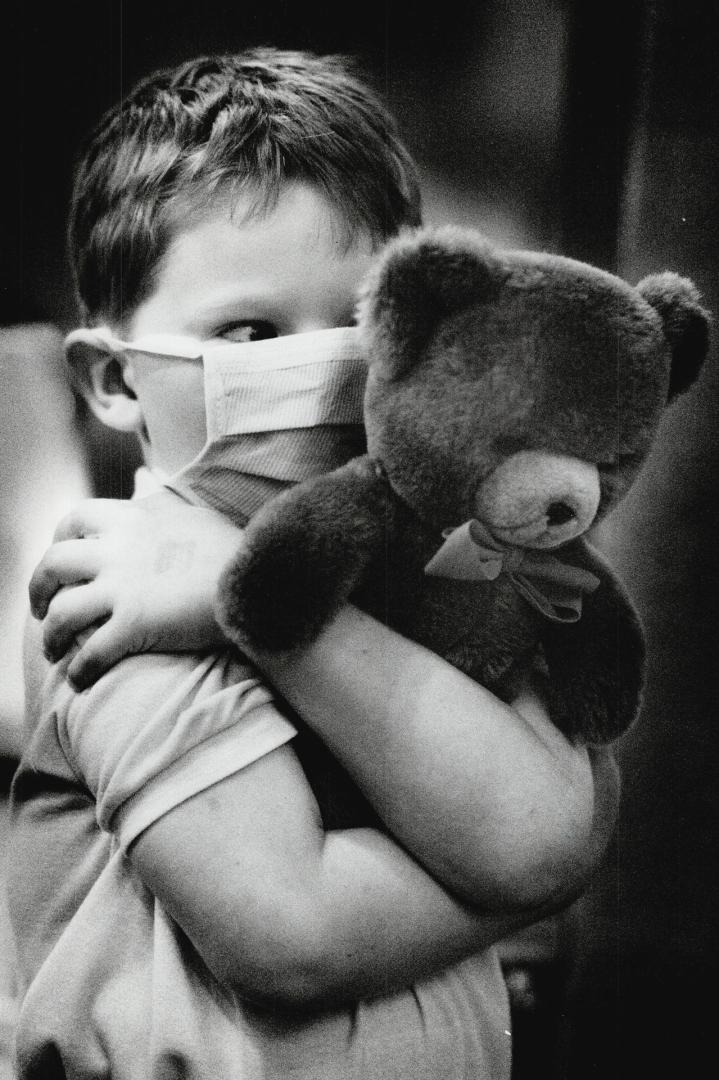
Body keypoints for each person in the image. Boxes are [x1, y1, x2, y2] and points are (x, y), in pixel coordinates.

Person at [8, 48, 619, 1079]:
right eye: (248, 330)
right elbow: (295, 935)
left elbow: (544, 824)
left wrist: (246, 601)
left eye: (354, 322)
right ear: (114, 381)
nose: (320, 369)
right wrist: (527, 868)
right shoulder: (120, 596)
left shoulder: (428, 556)